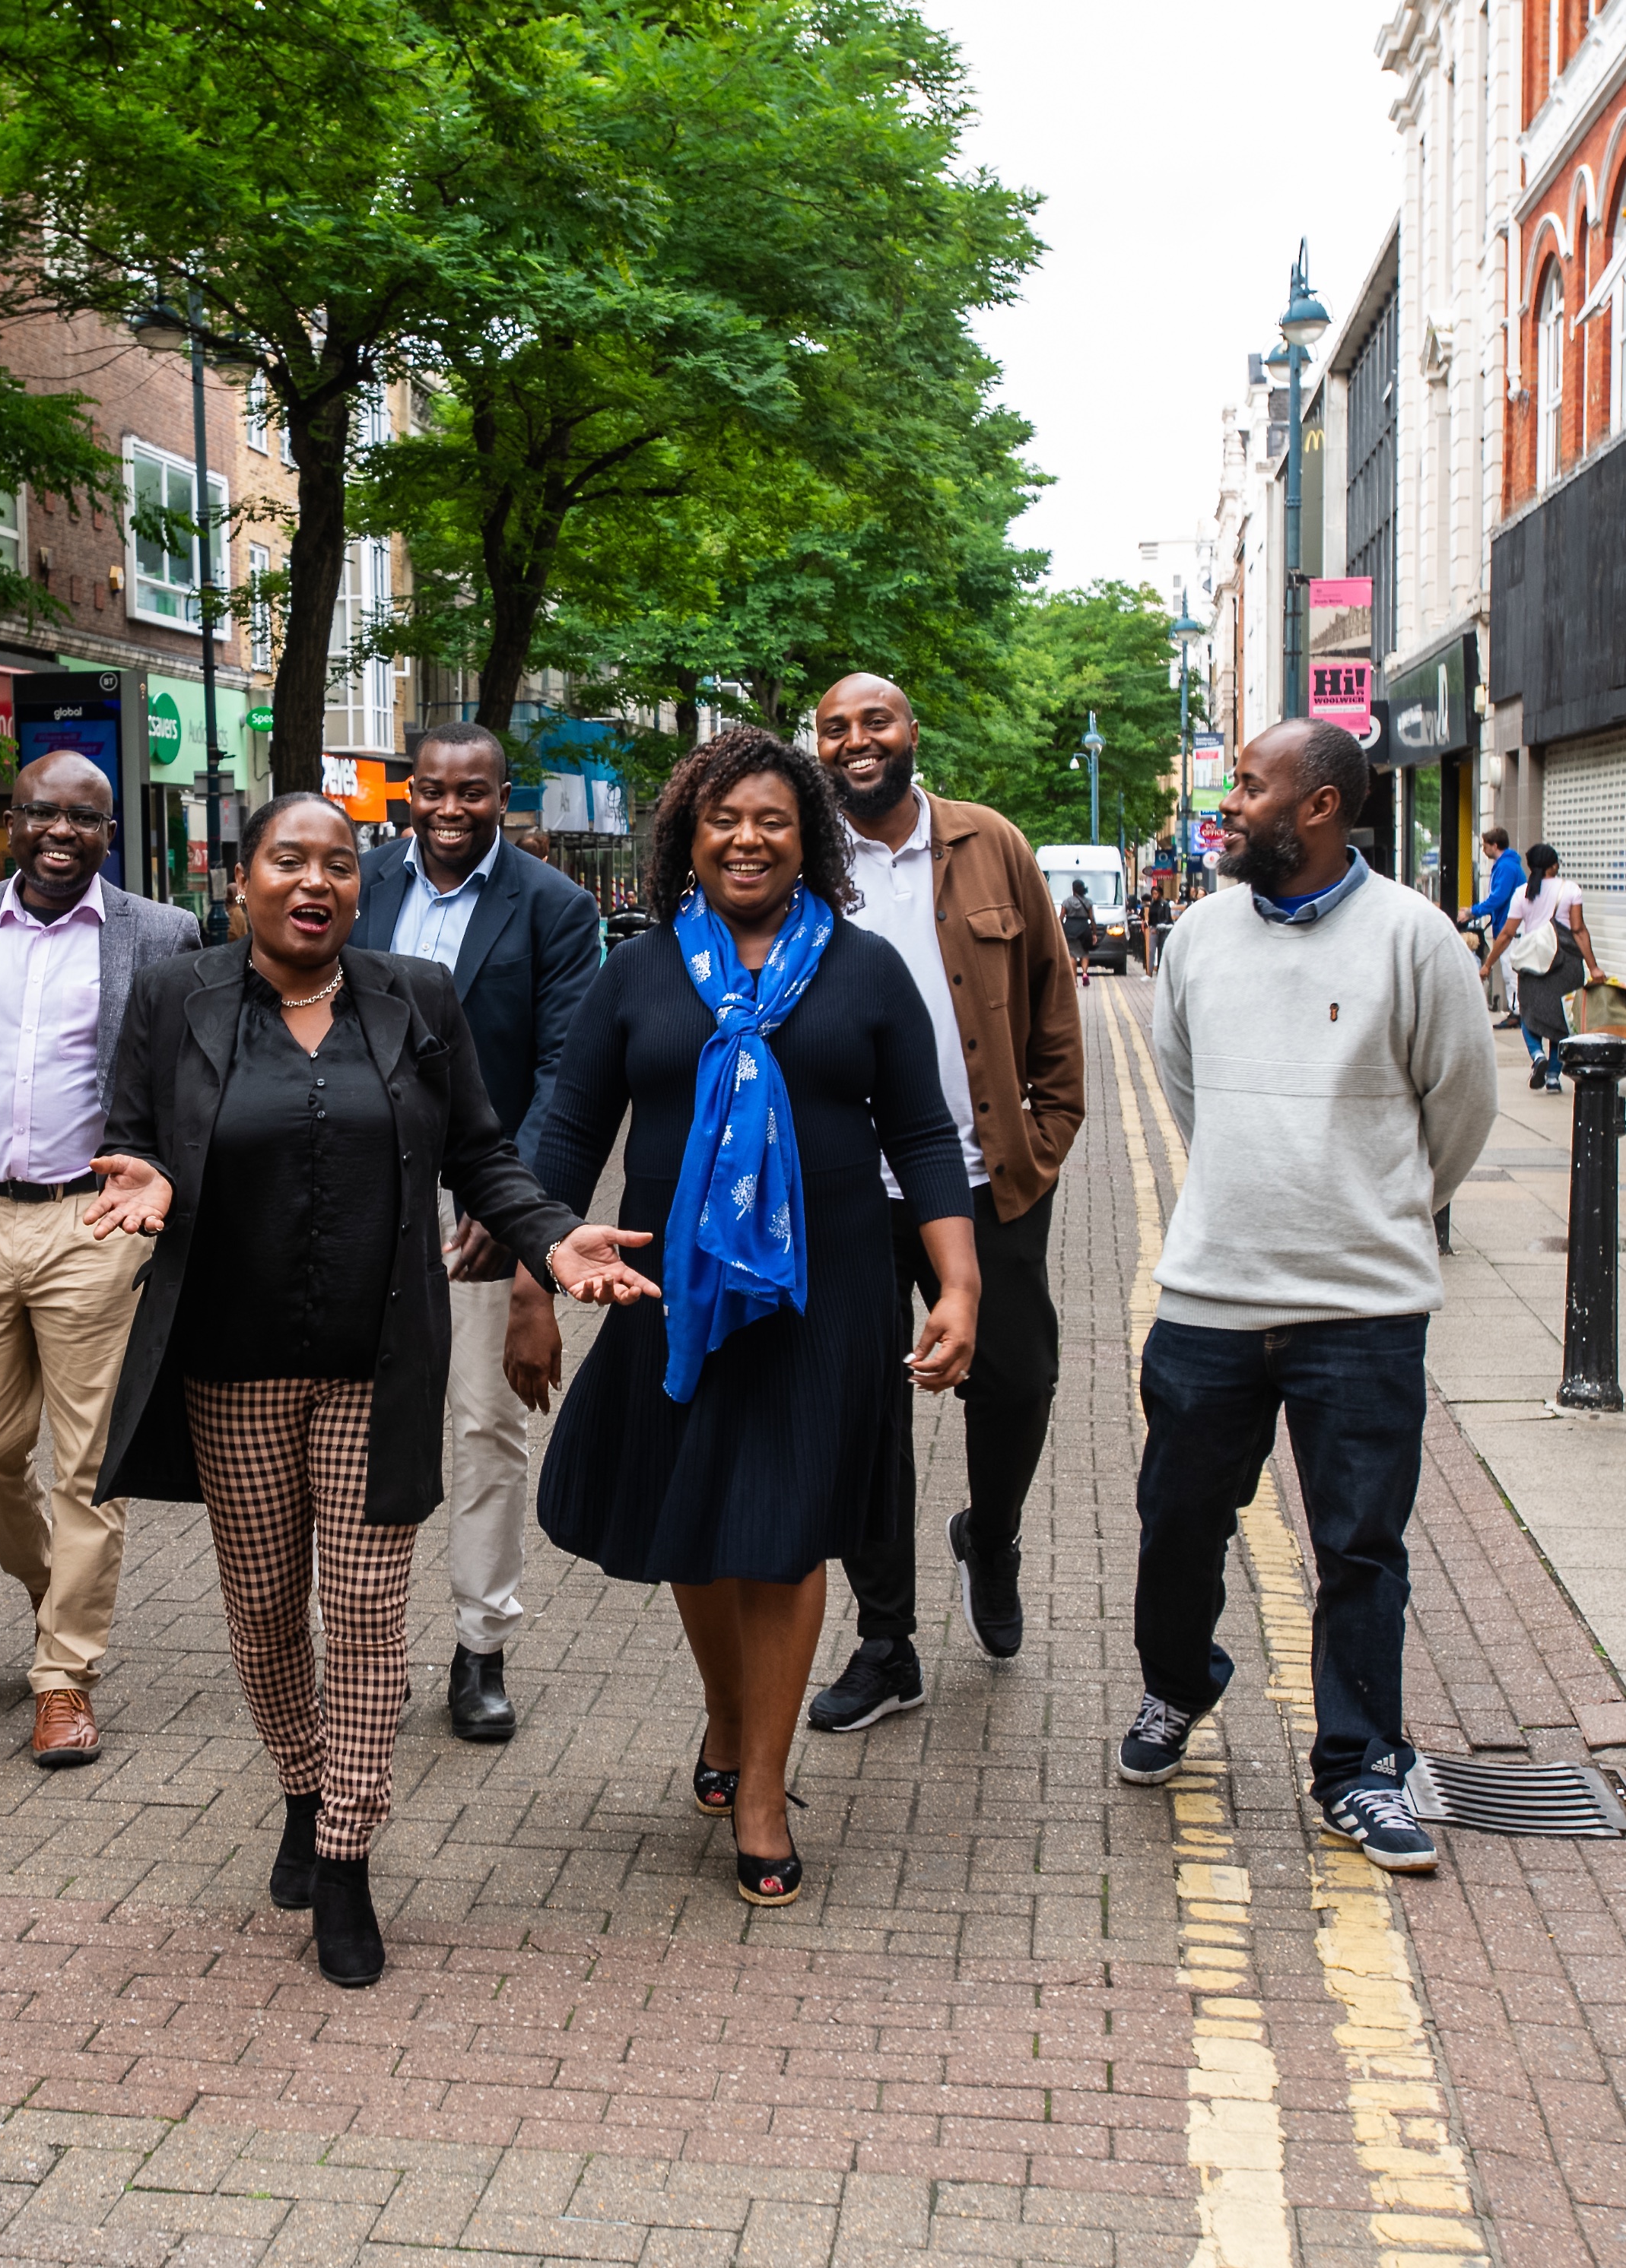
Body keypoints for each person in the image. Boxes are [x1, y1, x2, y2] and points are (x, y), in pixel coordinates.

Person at [83, 794, 656, 1988]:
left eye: (338, 864)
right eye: (288, 860)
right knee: (261, 1611)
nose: (315, 882)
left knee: (364, 1610)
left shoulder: (415, 999)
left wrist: (550, 1243)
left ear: (361, 885)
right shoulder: (171, 997)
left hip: (376, 1357)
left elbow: (482, 1154)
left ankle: (344, 1851)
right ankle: (299, 1783)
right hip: (226, 1363)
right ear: (240, 881)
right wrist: (146, 1185)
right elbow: (134, 1135)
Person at [530, 728, 980, 1911]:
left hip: (820, 1300)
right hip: (670, 1295)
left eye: (772, 819)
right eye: (722, 818)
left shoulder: (867, 969)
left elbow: (925, 1138)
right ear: (687, 834)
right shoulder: (637, 970)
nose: (745, 838)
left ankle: (766, 1783)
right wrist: (532, 1272)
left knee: (781, 1535)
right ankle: (728, 1711)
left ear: (808, 838)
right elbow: (569, 1132)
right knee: (697, 1524)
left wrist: (959, 1284)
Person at [1123, 719, 1495, 1876]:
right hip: (1212, 1297)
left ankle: (1359, 1767)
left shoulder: (1413, 938)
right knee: (1178, 1521)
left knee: (1358, 1548)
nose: (1228, 804)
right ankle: (1177, 1686)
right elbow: (1182, 1085)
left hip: (1362, 1309)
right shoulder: (1195, 935)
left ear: (1320, 806)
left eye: (1249, 786)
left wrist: (1367, 1205)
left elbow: (1461, 1106)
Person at [0, 755, 200, 1766]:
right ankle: (49, 1587)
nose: (60, 831)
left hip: (93, 1225)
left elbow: (184, 1093)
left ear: (112, 831)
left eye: (84, 817)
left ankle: (63, 1677)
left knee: (88, 1464)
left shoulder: (159, 934)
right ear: (10, 821)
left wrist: (155, 1190)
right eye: (41, 813)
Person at [803, 672, 1084, 1737]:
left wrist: (1042, 1141)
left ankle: (993, 1533)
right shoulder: (800, 857)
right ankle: (886, 1641)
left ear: (912, 731)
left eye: (874, 721)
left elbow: (1055, 1002)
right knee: (863, 1411)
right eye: (834, 728)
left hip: (983, 1177)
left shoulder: (989, 843)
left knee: (1017, 1378)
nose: (855, 740)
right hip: (842, 1189)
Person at [351, 722, 603, 1743]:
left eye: (471, 792)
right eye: (430, 790)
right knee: (352, 1424)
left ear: (504, 798)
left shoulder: (555, 907)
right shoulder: (359, 880)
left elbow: (562, 1070)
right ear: (406, 791)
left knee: (484, 1426)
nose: (449, 810)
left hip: (475, 1204)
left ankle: (479, 1645)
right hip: (354, 1193)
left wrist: (516, 1212)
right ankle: (364, 1643)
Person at [1481, 844, 1598, 1090]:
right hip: (1566, 963)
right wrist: (1593, 967)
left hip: (1533, 962)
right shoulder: (1570, 890)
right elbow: (1578, 930)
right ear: (1554, 865)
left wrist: (1488, 964)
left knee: (1529, 1013)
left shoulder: (1523, 893)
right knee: (1562, 1020)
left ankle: (1537, 1056)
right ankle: (1554, 1077)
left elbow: (1507, 934)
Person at [1465, 826, 1524, 1029]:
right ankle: (1517, 1010)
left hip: (1510, 928)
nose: (1483, 849)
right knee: (1511, 970)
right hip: (1508, 926)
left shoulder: (1506, 867)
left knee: (1511, 971)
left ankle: (1517, 1012)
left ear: (1495, 845)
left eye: (1485, 845)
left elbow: (1498, 897)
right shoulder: (1507, 865)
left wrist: (1473, 912)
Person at [1061, 877, 1097, 986]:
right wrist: (1094, 933)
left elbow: (1061, 917)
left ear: (1073, 889)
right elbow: (1092, 919)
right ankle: (1085, 973)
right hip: (1084, 928)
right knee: (1085, 953)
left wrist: (1061, 930)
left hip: (1070, 927)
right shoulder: (1088, 902)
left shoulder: (1067, 902)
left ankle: (1074, 981)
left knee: (1072, 954)